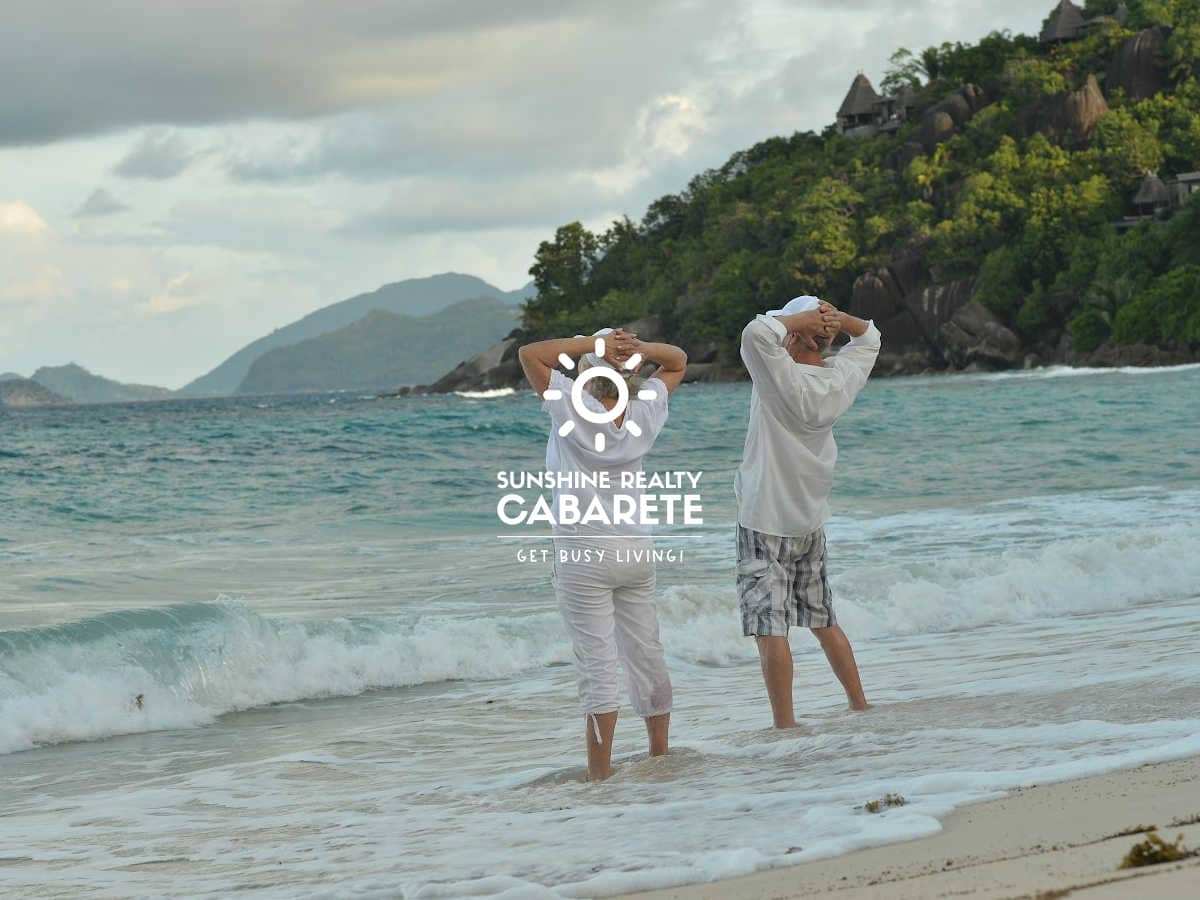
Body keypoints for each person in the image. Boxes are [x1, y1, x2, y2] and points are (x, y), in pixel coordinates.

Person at [519, 328, 687, 780]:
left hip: (583, 553)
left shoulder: (573, 406)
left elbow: (531, 355)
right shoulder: (643, 412)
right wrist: (639, 351)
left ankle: (599, 776)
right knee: (646, 652)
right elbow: (677, 360)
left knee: (597, 665)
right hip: (636, 550)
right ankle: (659, 755)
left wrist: (592, 345)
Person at [734, 295, 881, 727]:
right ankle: (859, 703)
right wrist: (838, 320)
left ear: (795, 334)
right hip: (809, 521)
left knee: (769, 628)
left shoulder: (779, 375)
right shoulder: (839, 381)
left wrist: (801, 320)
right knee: (823, 620)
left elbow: (755, 333)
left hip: (764, 518)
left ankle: (785, 723)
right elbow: (870, 338)